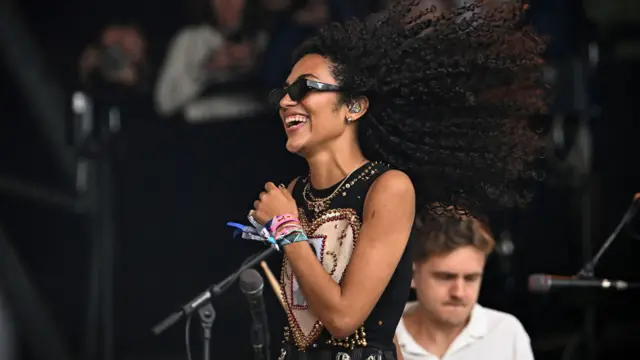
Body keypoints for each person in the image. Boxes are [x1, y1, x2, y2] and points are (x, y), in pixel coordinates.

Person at [243, 1, 547, 359]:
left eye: (303, 88)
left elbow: (344, 318)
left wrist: (287, 229)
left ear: (354, 106)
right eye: (283, 93)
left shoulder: (388, 187)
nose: (285, 103)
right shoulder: (295, 194)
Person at [395, 213, 534, 360]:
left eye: (470, 278)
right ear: (411, 276)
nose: (459, 293)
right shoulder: (382, 330)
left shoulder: (506, 332)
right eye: (445, 277)